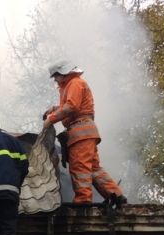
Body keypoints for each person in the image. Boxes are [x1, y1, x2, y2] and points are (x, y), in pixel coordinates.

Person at [42, 59, 128, 207]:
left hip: (81, 132)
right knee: (93, 168)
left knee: (79, 167)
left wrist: (52, 119)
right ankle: (116, 195)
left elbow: (72, 107)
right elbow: (73, 104)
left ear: (63, 72)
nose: (55, 80)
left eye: (56, 76)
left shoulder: (74, 83)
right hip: (85, 132)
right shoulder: (73, 84)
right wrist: (55, 108)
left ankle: (83, 201)